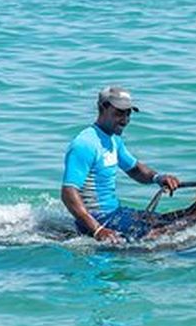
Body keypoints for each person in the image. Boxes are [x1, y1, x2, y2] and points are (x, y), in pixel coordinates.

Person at [61, 86, 181, 242]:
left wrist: (158, 178)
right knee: (165, 233)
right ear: (102, 108)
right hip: (98, 219)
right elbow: (68, 193)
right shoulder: (85, 144)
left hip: (115, 212)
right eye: (119, 113)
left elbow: (135, 170)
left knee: (172, 221)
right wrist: (98, 230)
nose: (125, 120)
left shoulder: (113, 139)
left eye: (128, 113)